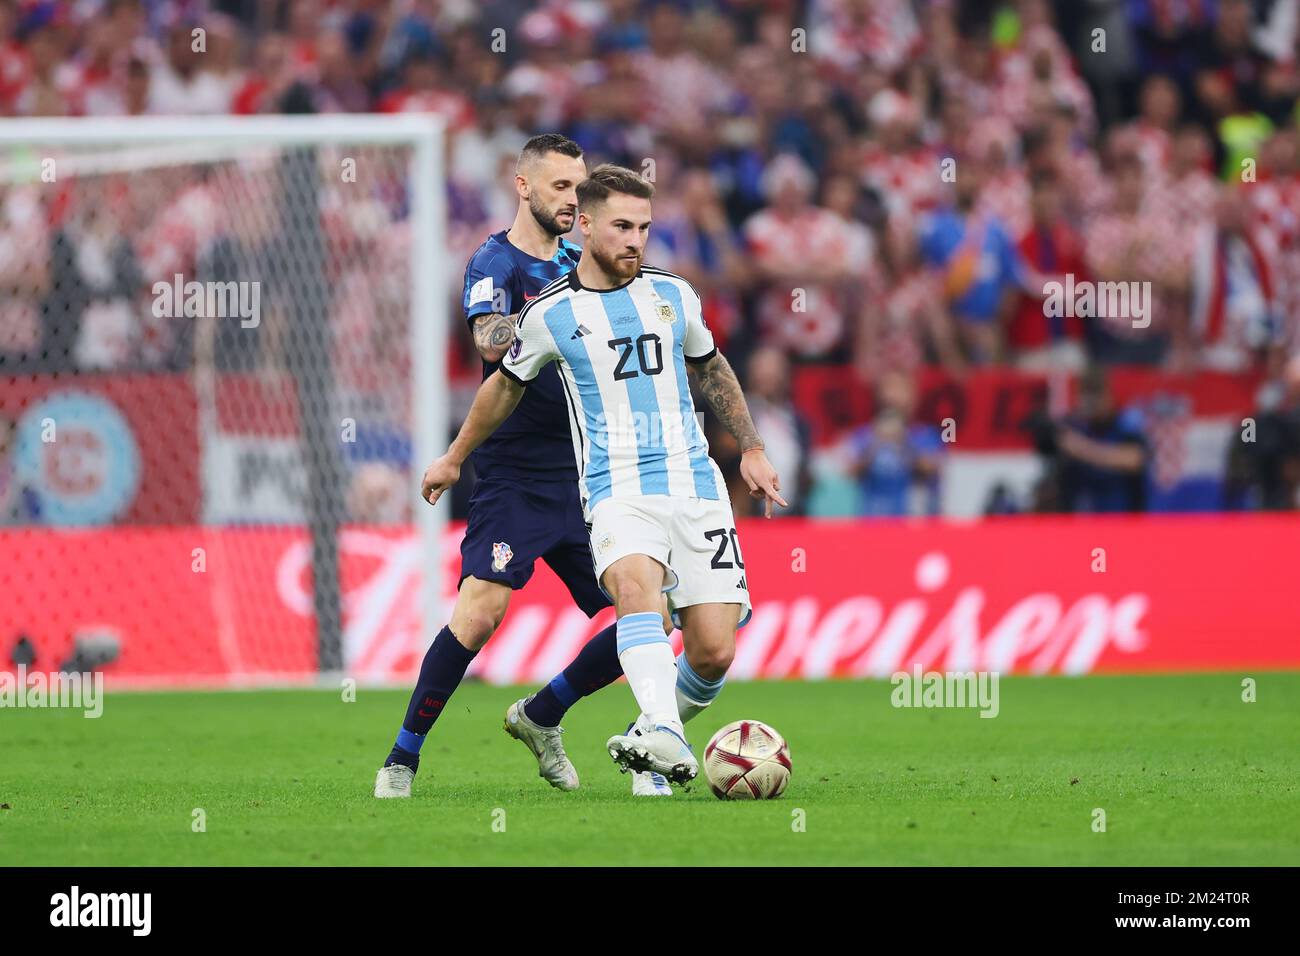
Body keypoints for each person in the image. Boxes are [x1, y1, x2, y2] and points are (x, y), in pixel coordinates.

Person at [421, 164, 786, 785]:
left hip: (696, 485)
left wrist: (750, 447)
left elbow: (713, 367)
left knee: (714, 649)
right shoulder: (549, 313)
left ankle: (648, 739)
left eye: (644, 227)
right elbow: (501, 390)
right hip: (615, 489)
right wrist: (455, 456)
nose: (635, 240)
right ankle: (665, 735)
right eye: (621, 226)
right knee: (637, 592)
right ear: (586, 226)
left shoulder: (675, 295)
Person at [375, 135, 631, 799]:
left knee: (649, 617)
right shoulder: (494, 261)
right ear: (523, 187)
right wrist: (455, 459)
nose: (574, 201)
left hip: (590, 473)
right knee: (480, 612)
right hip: (517, 474)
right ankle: (402, 758)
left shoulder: (585, 260)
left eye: (580, 189)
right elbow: (491, 342)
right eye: (559, 188)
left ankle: (543, 715)